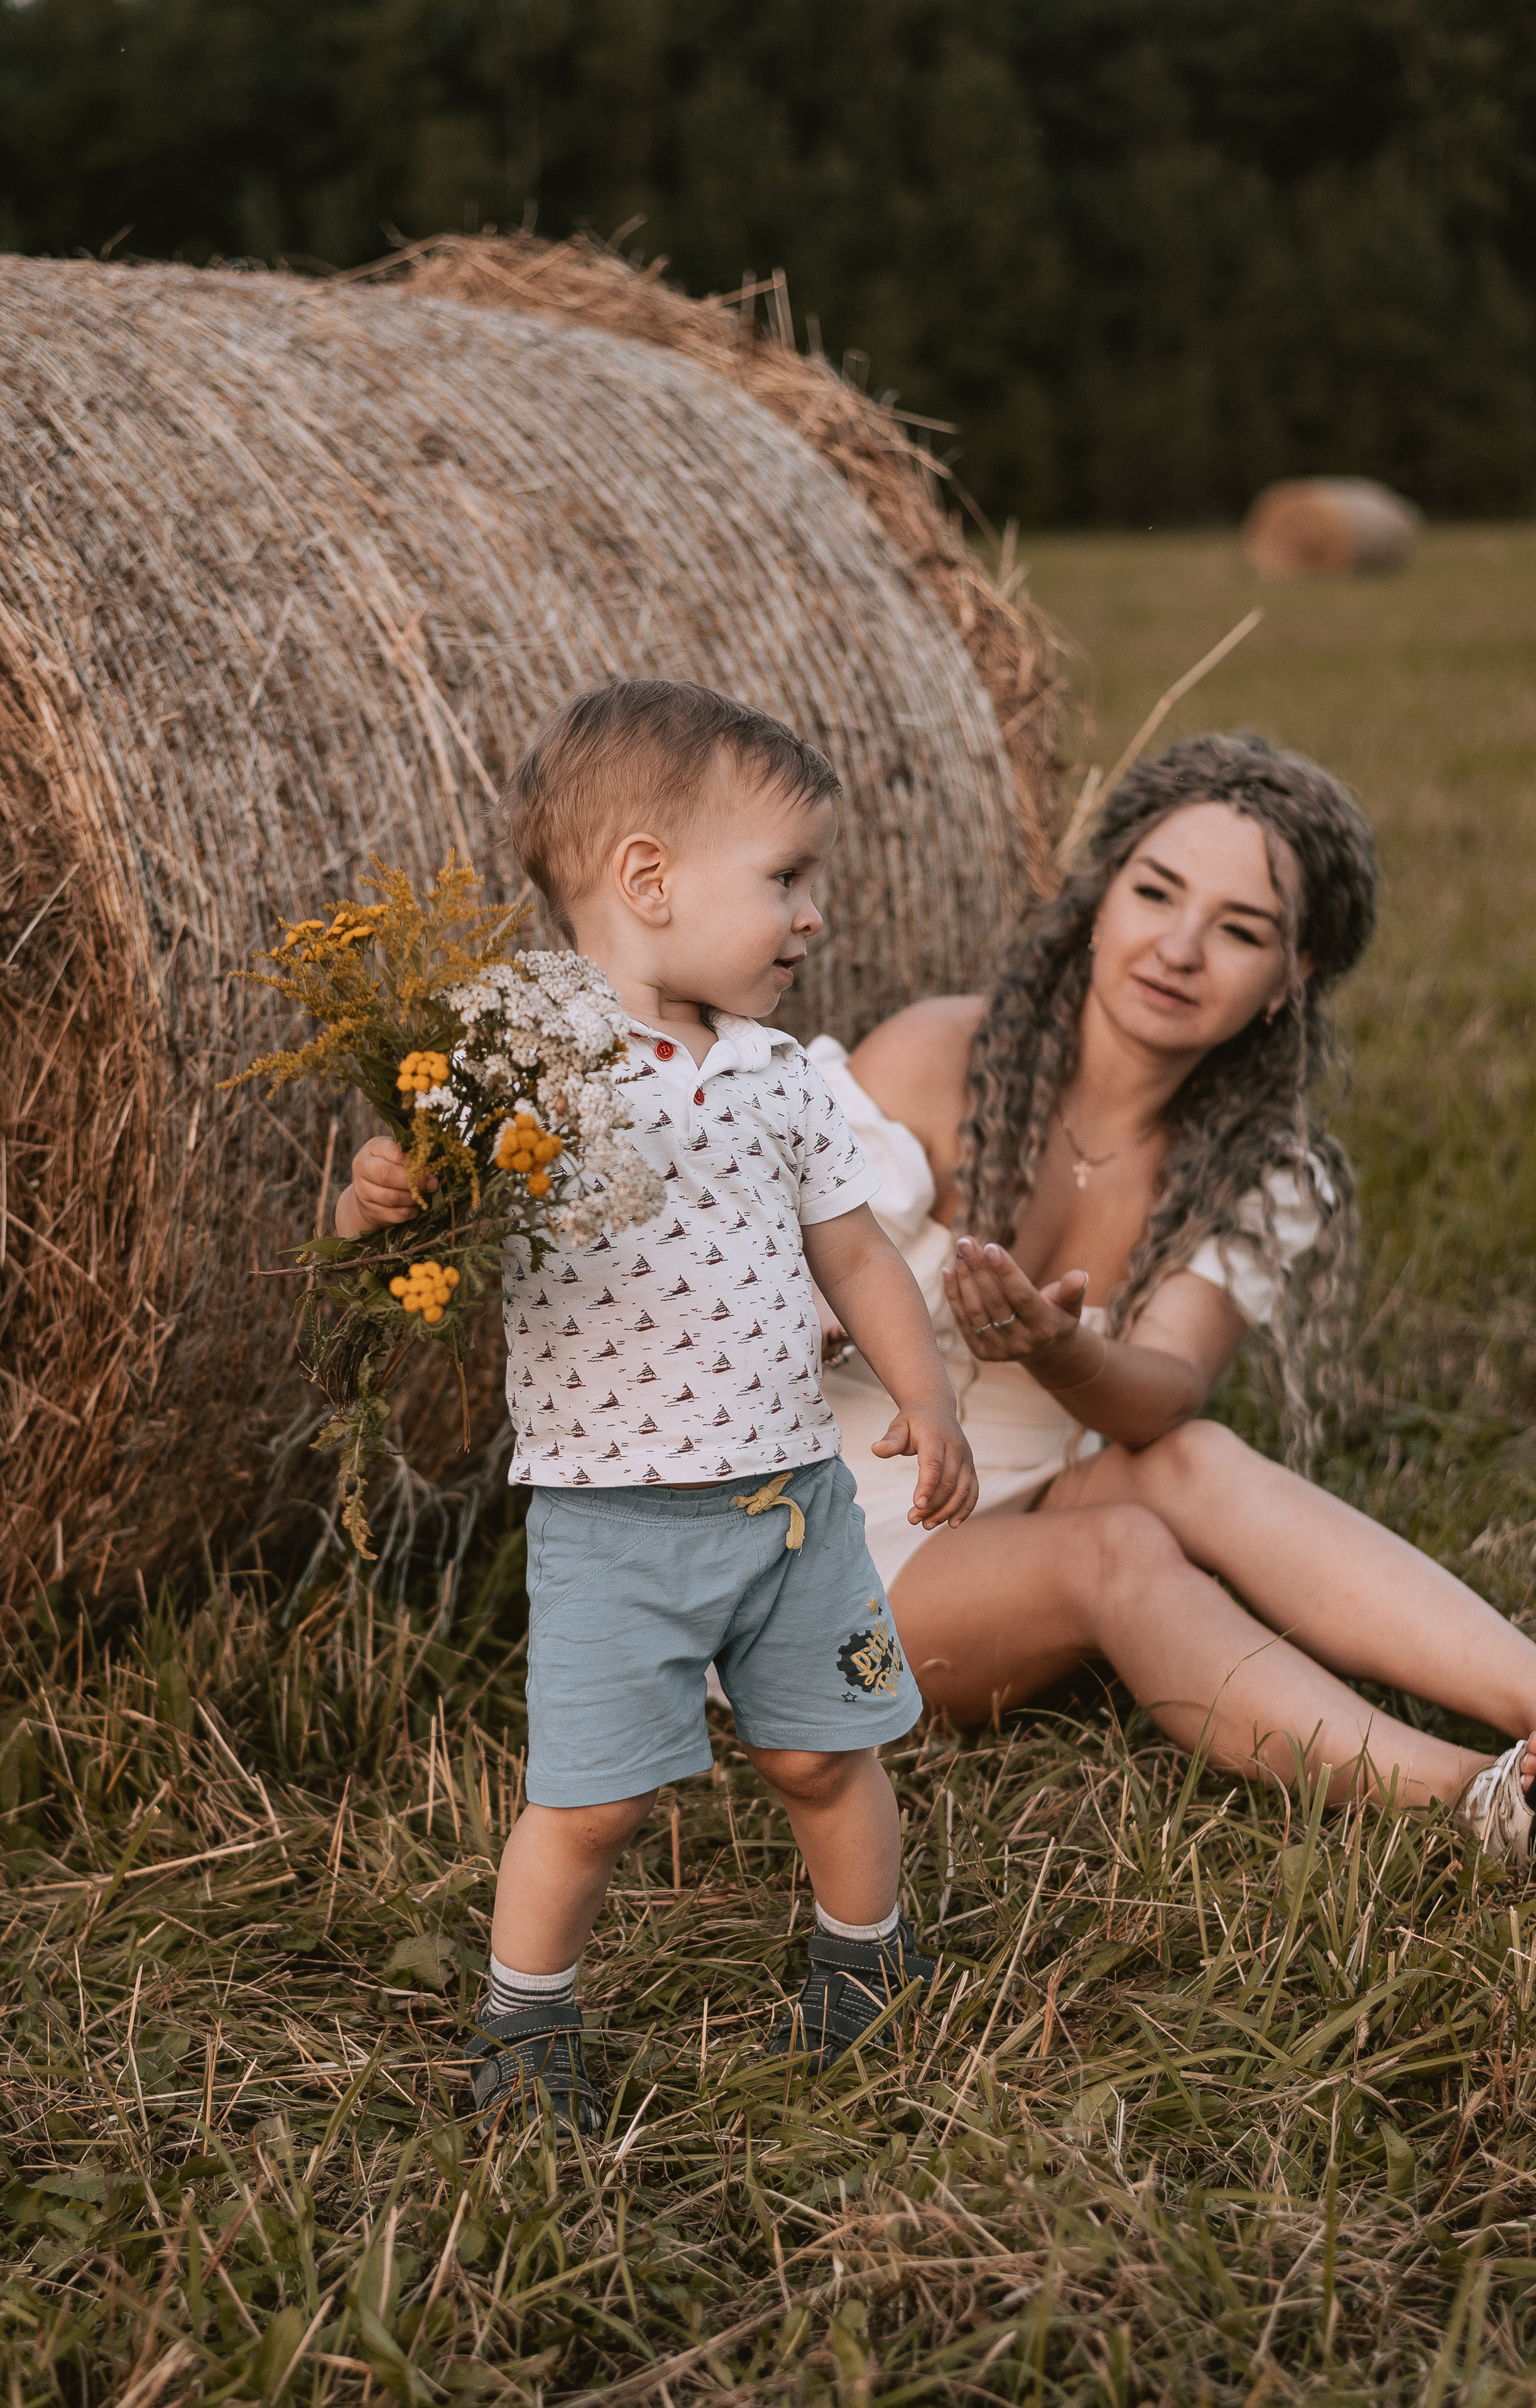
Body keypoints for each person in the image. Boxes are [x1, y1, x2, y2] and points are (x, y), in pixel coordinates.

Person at [334, 680, 978, 2132]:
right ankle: (527, 2017)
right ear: (647, 879)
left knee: (825, 1752)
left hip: (793, 1501)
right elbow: (404, 1213)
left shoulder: (785, 1079)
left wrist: (926, 1400)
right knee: (591, 1804)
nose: (811, 917)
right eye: (786, 880)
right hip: (609, 1517)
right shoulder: (516, 1049)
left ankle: (864, 1959)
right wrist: (382, 1187)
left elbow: (855, 1251)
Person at [806, 734, 1536, 1869]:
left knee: (1194, 1458)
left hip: (1013, 1507)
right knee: (1119, 1549)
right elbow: (792, 1274)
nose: (1178, 948)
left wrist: (1056, 1349)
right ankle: (1474, 1807)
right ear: (1098, 897)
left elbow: (1162, 1392)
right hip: (817, 1554)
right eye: (1155, 893)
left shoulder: (1258, 1168)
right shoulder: (937, 1058)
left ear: (1296, 977)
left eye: (1240, 930)